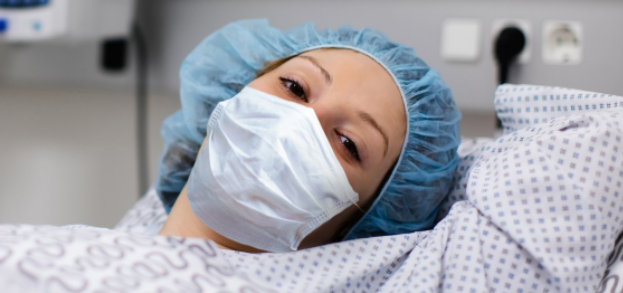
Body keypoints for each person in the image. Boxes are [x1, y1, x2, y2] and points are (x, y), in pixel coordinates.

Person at [154, 19, 462, 253]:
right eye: (294, 87)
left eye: (348, 143)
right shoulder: (106, 250)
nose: (294, 125)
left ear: (361, 227)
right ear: (237, 87)